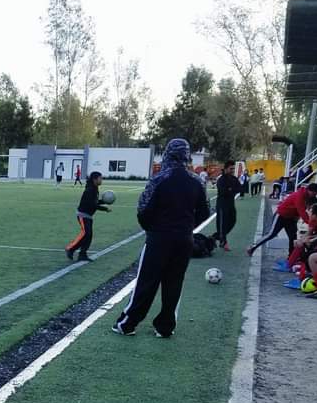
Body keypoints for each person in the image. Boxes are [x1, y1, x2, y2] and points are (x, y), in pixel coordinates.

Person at [112, 138, 209, 338]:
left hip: (159, 239)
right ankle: (165, 326)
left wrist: (153, 229)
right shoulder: (196, 181)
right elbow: (204, 212)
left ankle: (128, 323)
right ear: (187, 155)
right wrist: (187, 227)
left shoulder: (159, 179)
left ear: (167, 153)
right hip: (184, 240)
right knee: (174, 283)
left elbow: (143, 210)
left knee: (146, 282)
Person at [246, 183, 317, 257]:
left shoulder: (307, 195)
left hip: (291, 218)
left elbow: (305, 210)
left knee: (292, 237)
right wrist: (312, 224)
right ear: (310, 191)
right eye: (314, 193)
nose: (315, 195)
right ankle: (253, 247)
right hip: (281, 215)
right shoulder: (299, 196)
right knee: (271, 234)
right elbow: (302, 211)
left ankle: (291, 256)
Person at [65, 172, 111, 261]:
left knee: (88, 235)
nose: (101, 180)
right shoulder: (90, 190)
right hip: (83, 215)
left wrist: (104, 201)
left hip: (88, 216)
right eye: (100, 178)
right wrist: (104, 209)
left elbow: (94, 202)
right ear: (95, 179)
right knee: (85, 233)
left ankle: (82, 254)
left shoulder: (94, 188)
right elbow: (92, 205)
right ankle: (70, 249)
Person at [214, 161, 243, 250]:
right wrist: (231, 190)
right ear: (226, 169)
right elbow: (223, 192)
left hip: (231, 204)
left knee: (233, 221)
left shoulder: (234, 179)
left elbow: (239, 189)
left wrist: (231, 189)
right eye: (231, 168)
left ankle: (216, 236)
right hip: (222, 205)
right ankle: (224, 242)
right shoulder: (221, 179)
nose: (232, 170)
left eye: (233, 168)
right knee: (222, 224)